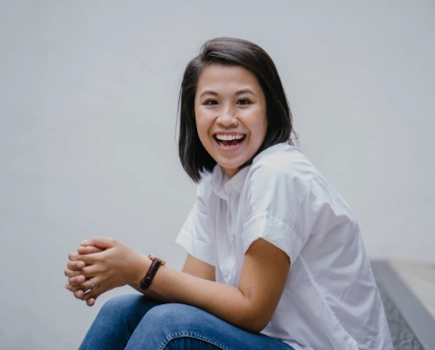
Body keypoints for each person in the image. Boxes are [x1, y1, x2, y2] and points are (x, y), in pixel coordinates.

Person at [64, 37, 393, 350]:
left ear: (270, 109)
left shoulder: (279, 174)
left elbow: (253, 310)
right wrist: (118, 270)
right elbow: (192, 289)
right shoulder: (218, 183)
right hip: (275, 343)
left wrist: (139, 269)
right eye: (211, 102)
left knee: (169, 325)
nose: (226, 118)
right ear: (193, 113)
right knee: (121, 312)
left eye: (244, 102)